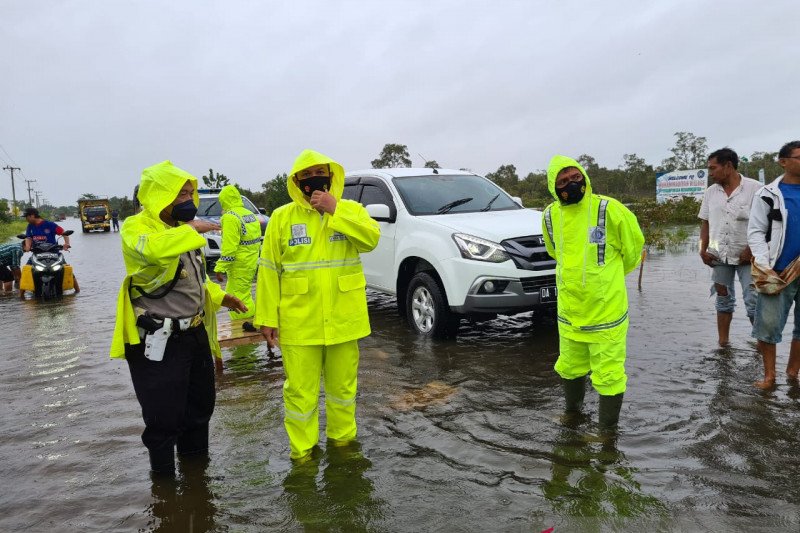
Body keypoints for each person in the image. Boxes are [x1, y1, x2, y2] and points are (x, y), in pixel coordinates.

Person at [110, 160, 247, 475]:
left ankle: (198, 482)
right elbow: (153, 252)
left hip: (195, 335)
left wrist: (220, 296)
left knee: (200, 411)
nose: (188, 200)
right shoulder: (137, 227)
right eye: (179, 194)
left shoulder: (181, 231)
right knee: (162, 419)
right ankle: (165, 491)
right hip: (158, 340)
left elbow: (195, 279)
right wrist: (191, 230)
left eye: (190, 193)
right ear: (159, 196)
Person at [255, 149, 380, 461]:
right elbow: (269, 270)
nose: (314, 180)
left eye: (319, 173)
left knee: (343, 391)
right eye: (307, 176)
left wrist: (334, 209)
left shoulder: (350, 210)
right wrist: (267, 317)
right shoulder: (282, 219)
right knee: (300, 394)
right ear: (297, 182)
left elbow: (371, 239)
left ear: (331, 175)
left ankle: (342, 447)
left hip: (344, 321)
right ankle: (303, 454)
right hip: (300, 323)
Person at [542, 155, 644, 432]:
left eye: (576, 178)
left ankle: (606, 434)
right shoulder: (550, 215)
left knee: (609, 374)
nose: (571, 184)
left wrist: (603, 278)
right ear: (554, 187)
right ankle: (572, 416)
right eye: (563, 182)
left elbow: (633, 250)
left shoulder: (609, 209)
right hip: (570, 310)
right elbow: (555, 252)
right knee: (570, 365)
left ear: (585, 177)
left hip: (606, 310)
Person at [748, 140, 800, 389]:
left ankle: (792, 373)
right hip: (777, 270)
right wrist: (764, 264)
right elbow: (756, 231)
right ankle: (770, 376)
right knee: (767, 325)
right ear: (783, 162)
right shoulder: (768, 194)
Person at [698, 147, 762, 346]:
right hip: (719, 256)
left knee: (753, 302)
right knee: (723, 299)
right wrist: (702, 249)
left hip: (748, 257)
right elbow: (706, 222)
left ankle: (762, 347)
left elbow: (767, 224)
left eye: (713, 168)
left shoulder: (756, 189)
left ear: (728, 166)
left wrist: (751, 249)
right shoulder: (711, 192)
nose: (710, 173)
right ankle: (723, 344)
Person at [213, 184, 262, 331]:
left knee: (237, 298)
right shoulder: (249, 214)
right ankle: (252, 323)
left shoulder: (230, 217)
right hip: (251, 261)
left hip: (239, 264)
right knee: (244, 293)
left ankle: (246, 327)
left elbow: (230, 247)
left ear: (224, 201)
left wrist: (220, 267)